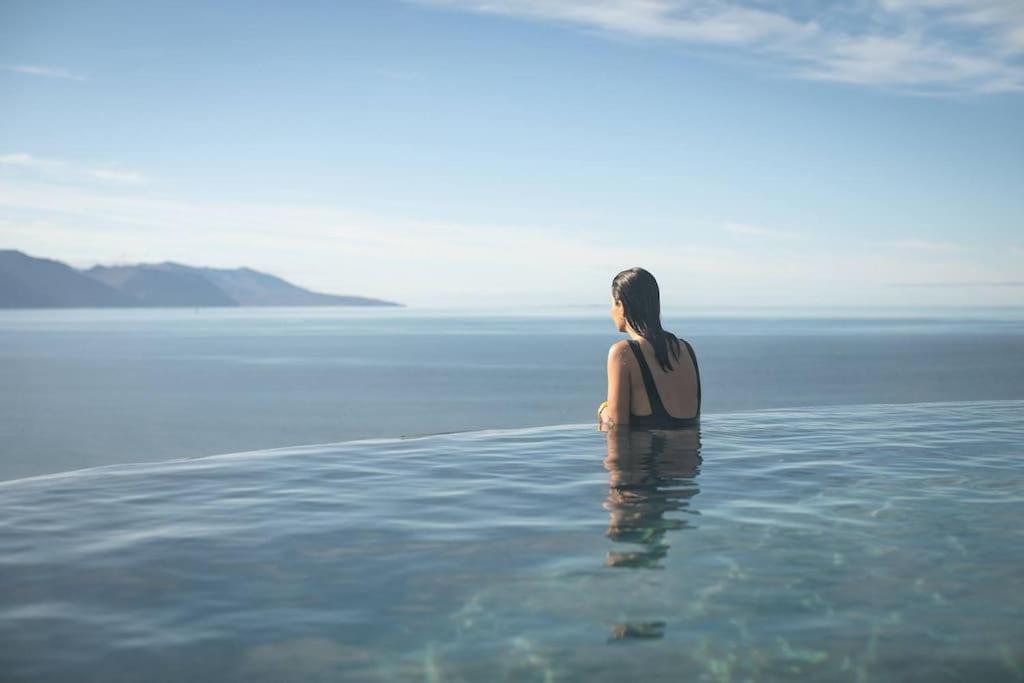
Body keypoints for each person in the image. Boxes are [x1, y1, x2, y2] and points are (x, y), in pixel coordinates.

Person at [597, 267, 701, 430]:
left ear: (621, 305)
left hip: (647, 455)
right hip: (691, 455)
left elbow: (615, 427)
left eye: (612, 304)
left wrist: (603, 410)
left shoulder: (623, 353)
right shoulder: (686, 350)